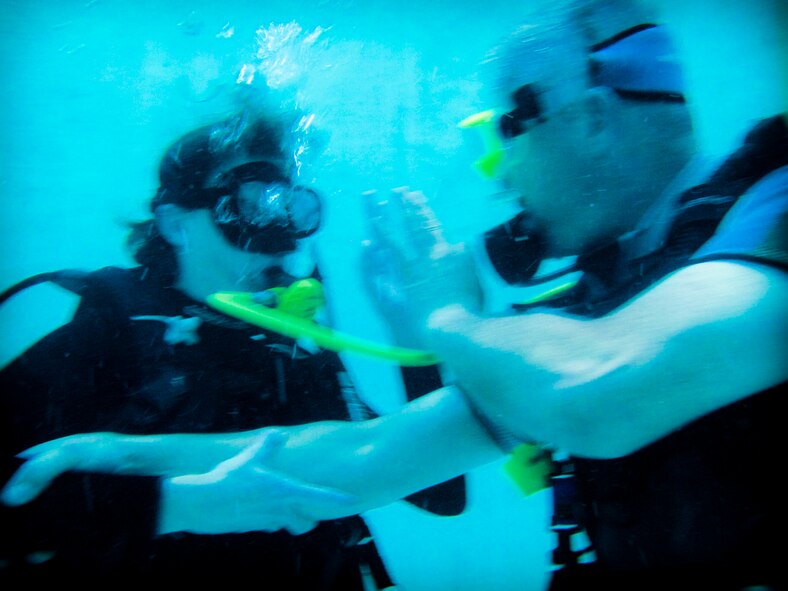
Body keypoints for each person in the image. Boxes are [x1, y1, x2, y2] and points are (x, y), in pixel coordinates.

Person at [3, 0, 787, 588]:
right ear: (174, 221)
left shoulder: (772, 212)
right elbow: (365, 457)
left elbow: (596, 386)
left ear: (587, 117)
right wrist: (121, 458)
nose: (498, 173)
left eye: (500, 133)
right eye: (252, 204)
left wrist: (438, 321)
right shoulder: (593, 305)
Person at [0, 107, 466, 584]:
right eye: (252, 203)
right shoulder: (115, 329)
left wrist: (412, 338)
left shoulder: (295, 346)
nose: (281, 236)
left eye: (290, 206)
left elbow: (441, 492)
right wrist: (177, 505)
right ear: (176, 224)